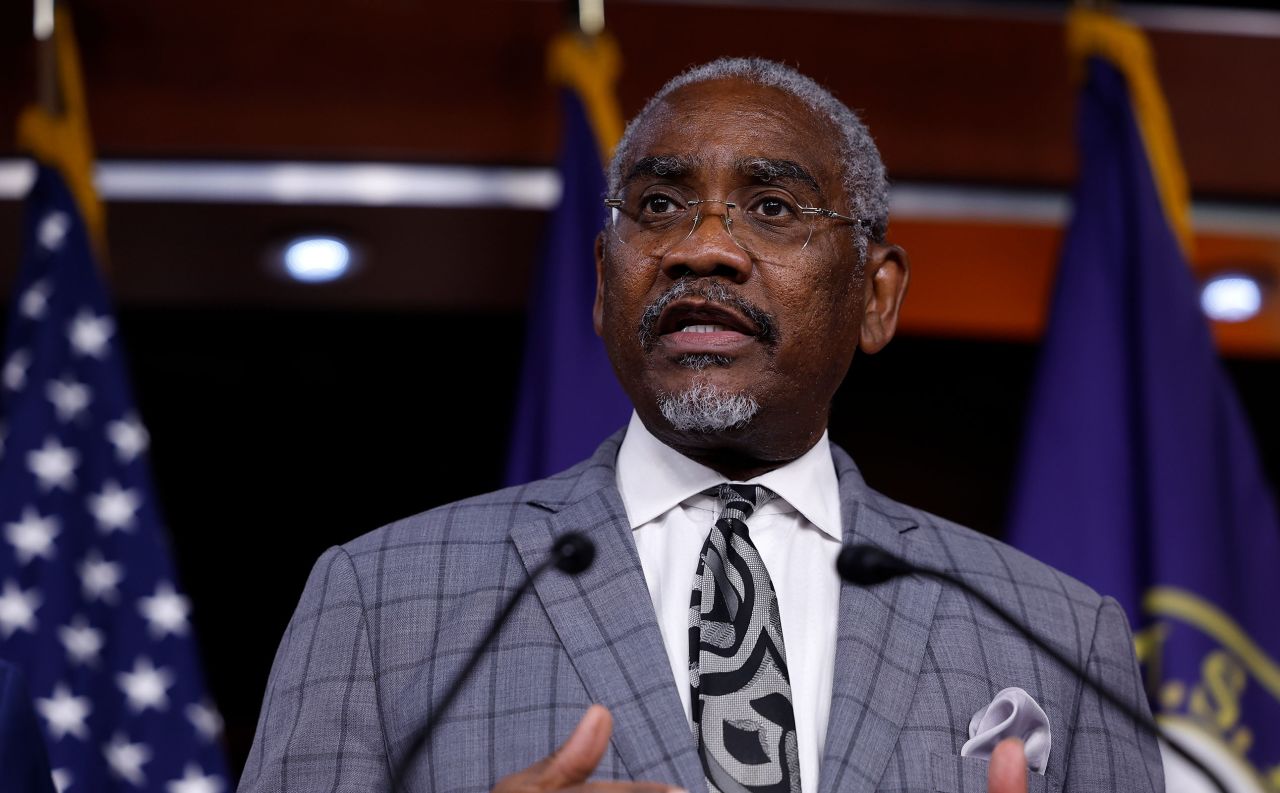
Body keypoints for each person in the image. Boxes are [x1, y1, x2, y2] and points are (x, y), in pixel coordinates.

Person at [238, 59, 1163, 793]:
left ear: (876, 297)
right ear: (604, 283)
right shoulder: (379, 597)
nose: (701, 246)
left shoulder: (1058, 633)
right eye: (658, 205)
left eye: (772, 207)